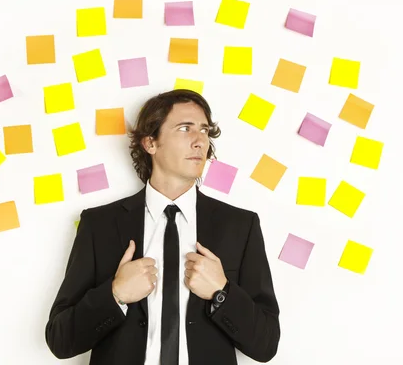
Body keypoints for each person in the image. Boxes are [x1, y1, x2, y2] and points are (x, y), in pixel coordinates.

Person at [44, 89, 280, 364]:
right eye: (184, 128)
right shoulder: (100, 224)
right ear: (150, 143)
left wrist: (222, 293)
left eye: (204, 130)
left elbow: (266, 345)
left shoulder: (241, 226)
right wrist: (115, 294)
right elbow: (60, 340)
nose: (199, 141)